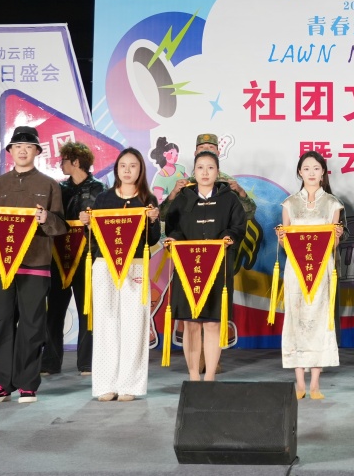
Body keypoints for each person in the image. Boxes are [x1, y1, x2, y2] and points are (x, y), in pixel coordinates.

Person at [0, 126, 67, 404]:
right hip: (0, 266)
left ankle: (27, 383)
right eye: (17, 146)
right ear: (10, 151)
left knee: (32, 325)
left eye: (28, 146)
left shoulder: (49, 185)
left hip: (35, 264)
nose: (23, 151)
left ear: (37, 151)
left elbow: (60, 227)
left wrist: (47, 218)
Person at [79, 148, 159, 401]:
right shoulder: (103, 199)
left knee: (134, 323)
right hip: (105, 264)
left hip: (135, 265)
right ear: (116, 169)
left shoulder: (147, 200)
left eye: (133, 165)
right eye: (123, 165)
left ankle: (130, 385)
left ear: (140, 170)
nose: (127, 170)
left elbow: (152, 239)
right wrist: (86, 224)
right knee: (106, 322)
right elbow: (93, 238)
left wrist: (153, 220)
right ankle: (105, 384)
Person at [163, 149, 246, 381]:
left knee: (212, 324)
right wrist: (174, 240)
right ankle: (193, 376)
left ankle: (209, 377)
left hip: (217, 269)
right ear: (194, 172)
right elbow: (173, 228)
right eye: (200, 167)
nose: (205, 172)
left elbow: (239, 227)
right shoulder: (183, 199)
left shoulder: (229, 199)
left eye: (210, 167)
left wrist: (229, 236)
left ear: (217, 172)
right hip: (187, 268)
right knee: (191, 324)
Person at [276, 151, 344, 400]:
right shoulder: (290, 203)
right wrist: (281, 238)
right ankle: (300, 383)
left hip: (322, 268)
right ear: (299, 172)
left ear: (323, 172)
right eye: (306, 168)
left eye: (316, 168)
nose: (311, 173)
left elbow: (333, 244)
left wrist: (336, 237)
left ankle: (315, 383)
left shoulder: (333, 203)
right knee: (296, 319)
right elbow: (286, 243)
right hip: (296, 269)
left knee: (320, 319)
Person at [43, 140, 103, 377]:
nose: (61, 164)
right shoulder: (58, 189)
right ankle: (50, 362)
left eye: (64, 160)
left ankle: (87, 362)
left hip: (87, 256)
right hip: (58, 256)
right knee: (54, 311)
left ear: (76, 162)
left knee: (87, 310)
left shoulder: (100, 190)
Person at [148, 136, 187, 203]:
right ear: (164, 154)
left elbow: (190, 181)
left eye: (176, 155)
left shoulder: (180, 168)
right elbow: (158, 200)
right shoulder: (161, 177)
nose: (174, 157)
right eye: (171, 153)